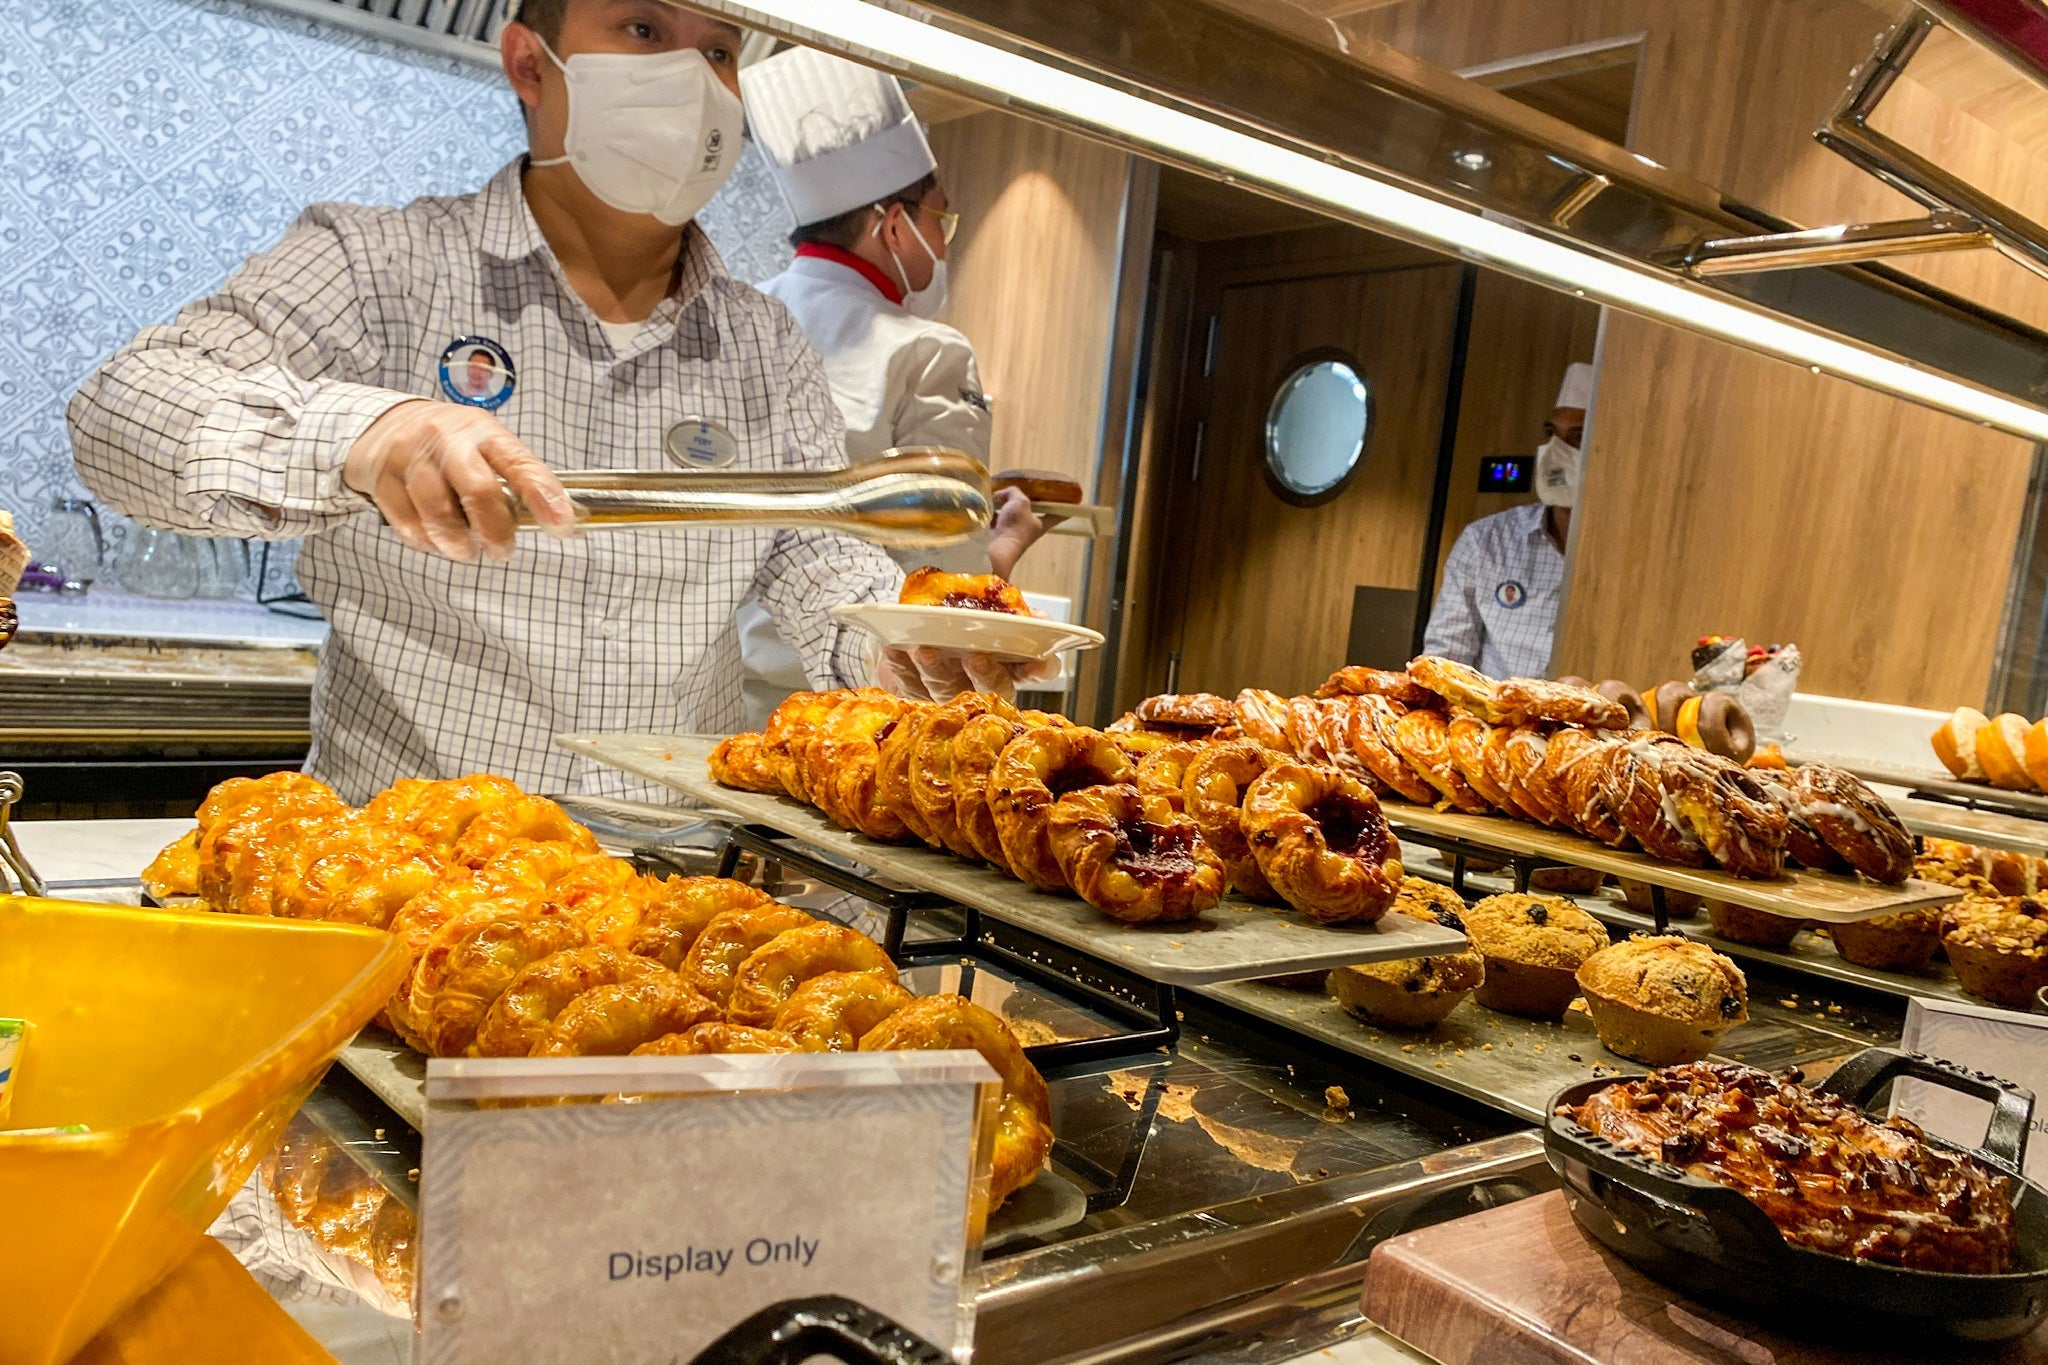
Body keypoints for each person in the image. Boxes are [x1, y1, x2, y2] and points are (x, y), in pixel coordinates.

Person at [67, 1, 1030, 804]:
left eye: (721, 51)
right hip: (399, 885)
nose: (694, 79)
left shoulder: (763, 342)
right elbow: (124, 410)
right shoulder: (381, 263)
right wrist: (372, 432)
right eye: (645, 30)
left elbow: (817, 555)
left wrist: (910, 649)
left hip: (660, 899)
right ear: (531, 65)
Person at [734, 45, 1051, 725]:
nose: (943, 239)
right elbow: (949, 594)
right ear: (892, 221)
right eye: (942, 218)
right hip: (855, 709)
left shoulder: (744, 316)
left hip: (721, 699)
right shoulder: (928, 351)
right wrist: (1007, 547)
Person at [1420, 362, 1591, 679]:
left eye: (1578, 437)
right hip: (1496, 725)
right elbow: (1444, 667)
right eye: (1552, 434)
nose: (1556, 451)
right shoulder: (1486, 542)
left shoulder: (1634, 561)